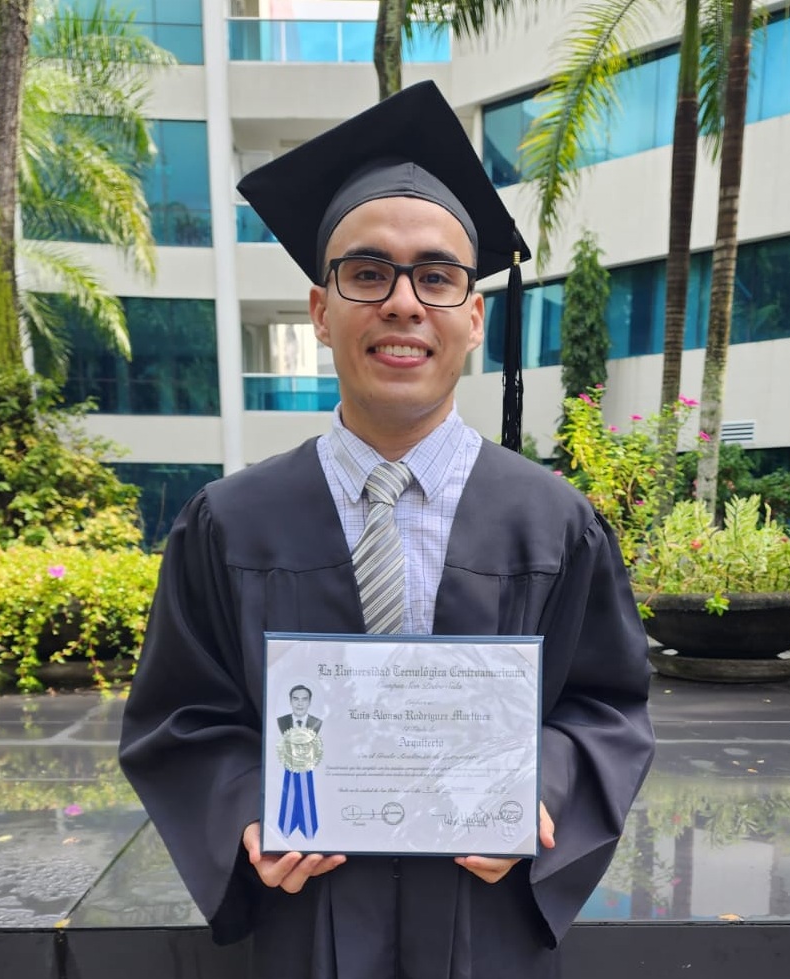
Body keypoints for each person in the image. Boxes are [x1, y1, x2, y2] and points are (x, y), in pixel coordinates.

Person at [119, 80, 655, 979]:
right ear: (320, 310)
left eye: (437, 276)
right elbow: (182, 714)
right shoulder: (229, 522)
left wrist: (539, 790)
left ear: (472, 318)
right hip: (306, 918)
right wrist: (248, 808)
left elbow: (603, 706)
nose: (402, 303)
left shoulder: (553, 523)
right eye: (366, 273)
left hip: (484, 923)